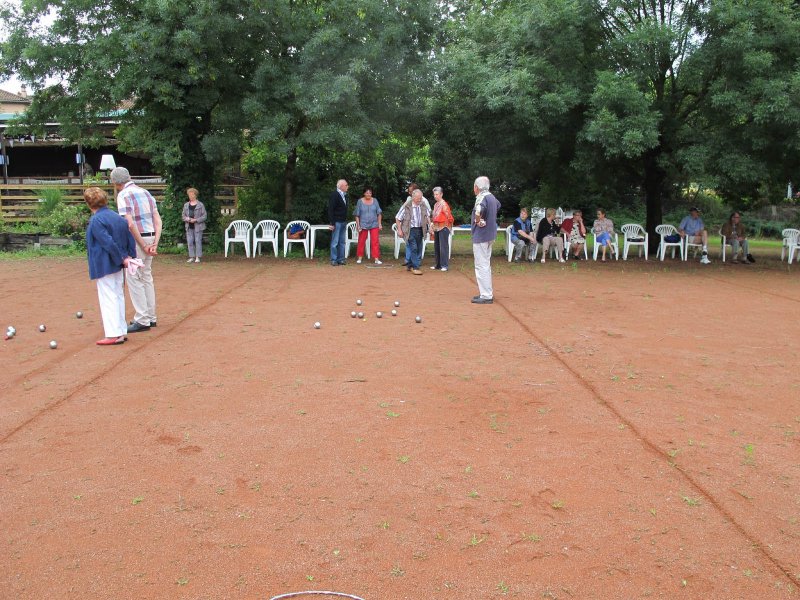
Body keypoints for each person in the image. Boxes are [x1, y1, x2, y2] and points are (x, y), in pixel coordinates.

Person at [83, 187, 136, 346]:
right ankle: (120, 331)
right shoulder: (116, 217)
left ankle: (114, 333)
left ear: (89, 203)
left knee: (109, 297)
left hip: (105, 263)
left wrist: (122, 257)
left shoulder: (97, 220)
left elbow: (107, 242)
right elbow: (129, 237)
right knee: (118, 295)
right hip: (117, 263)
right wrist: (128, 256)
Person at [111, 166, 161, 333]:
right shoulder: (146, 192)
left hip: (137, 239)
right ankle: (151, 316)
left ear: (115, 182)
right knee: (146, 276)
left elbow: (129, 223)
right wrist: (154, 242)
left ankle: (142, 318)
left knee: (134, 276)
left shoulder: (123, 195)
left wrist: (143, 244)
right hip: (151, 235)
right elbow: (157, 220)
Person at [471, 176, 501, 303]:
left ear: (477, 187)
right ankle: (486, 292)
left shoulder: (482, 197)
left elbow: (478, 210)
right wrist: (489, 218)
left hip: (481, 235)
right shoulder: (492, 197)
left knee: (481, 265)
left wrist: (479, 221)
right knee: (485, 264)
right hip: (490, 235)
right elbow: (498, 206)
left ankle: (486, 295)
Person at [395, 189, 430, 275]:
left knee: (419, 248)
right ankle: (415, 267)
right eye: (418, 198)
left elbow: (427, 215)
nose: (420, 200)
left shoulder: (423, 204)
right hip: (409, 230)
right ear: (413, 197)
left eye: (421, 198)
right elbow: (398, 218)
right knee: (413, 248)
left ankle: (409, 265)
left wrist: (430, 225)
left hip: (420, 229)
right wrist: (399, 230)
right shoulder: (406, 206)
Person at [401, 183, 431, 266]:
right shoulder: (408, 199)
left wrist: (429, 225)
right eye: (409, 191)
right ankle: (411, 262)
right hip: (410, 227)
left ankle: (415, 261)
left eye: (411, 191)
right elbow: (402, 211)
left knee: (418, 246)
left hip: (420, 227)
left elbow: (428, 212)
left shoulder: (423, 200)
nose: (409, 193)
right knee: (411, 245)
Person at [353, 187, 383, 265]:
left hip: (374, 224)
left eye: (370, 193)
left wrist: (379, 224)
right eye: (367, 193)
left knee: (375, 241)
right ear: (364, 193)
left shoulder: (375, 200)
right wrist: (358, 225)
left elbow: (379, 213)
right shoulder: (360, 201)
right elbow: (357, 214)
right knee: (361, 241)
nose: (368, 194)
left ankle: (376, 258)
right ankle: (359, 257)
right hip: (363, 224)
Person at [430, 186, 454, 271]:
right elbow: (435, 216)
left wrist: (448, 227)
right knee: (437, 246)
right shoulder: (436, 204)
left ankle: (444, 265)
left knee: (443, 247)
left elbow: (449, 216)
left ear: (441, 194)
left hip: (444, 227)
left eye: (437, 194)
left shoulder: (444, 204)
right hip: (437, 227)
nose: (435, 196)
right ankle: (437, 265)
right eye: (434, 194)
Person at [182, 187, 207, 263]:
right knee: (190, 241)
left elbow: (204, 216)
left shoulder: (200, 205)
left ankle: (197, 257)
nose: (190, 196)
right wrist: (188, 219)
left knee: (197, 241)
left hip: (198, 227)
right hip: (189, 226)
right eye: (189, 195)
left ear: (195, 195)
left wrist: (196, 220)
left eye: (192, 194)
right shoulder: (186, 205)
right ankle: (191, 257)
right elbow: (183, 216)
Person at [328, 179, 349, 266]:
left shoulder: (345, 195)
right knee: (335, 242)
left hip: (343, 221)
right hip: (336, 221)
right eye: (346, 185)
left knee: (342, 242)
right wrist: (332, 223)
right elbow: (330, 209)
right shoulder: (334, 195)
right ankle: (334, 259)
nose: (348, 186)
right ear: (341, 186)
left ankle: (341, 259)